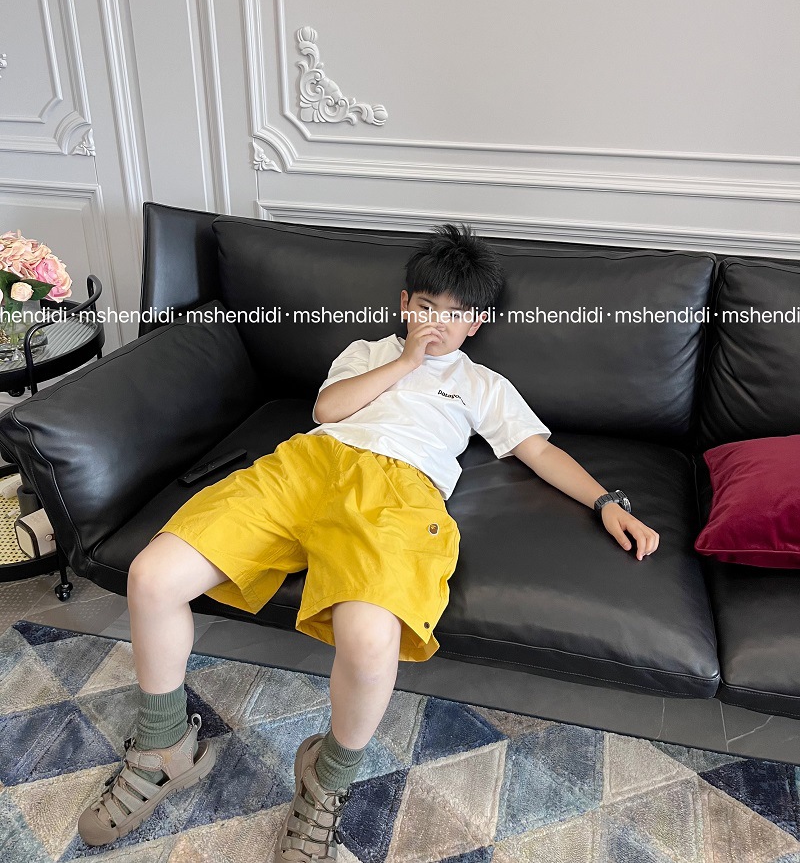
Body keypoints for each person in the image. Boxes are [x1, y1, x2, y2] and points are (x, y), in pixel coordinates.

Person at [77, 223, 660, 858]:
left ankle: (326, 779)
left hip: (399, 496)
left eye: (455, 314)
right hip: (307, 467)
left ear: (476, 323)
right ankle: (163, 745)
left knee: (369, 639)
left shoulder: (482, 385)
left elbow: (539, 452)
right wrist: (406, 362)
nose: (437, 323)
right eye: (427, 307)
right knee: (152, 577)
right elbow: (327, 412)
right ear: (406, 305)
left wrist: (606, 502)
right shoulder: (367, 352)